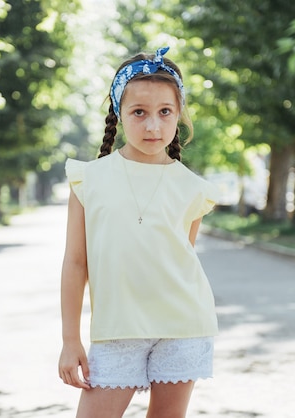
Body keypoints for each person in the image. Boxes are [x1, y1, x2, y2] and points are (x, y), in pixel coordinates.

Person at [58, 46, 220, 418]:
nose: (153, 126)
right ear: (119, 113)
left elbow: (182, 260)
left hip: (183, 327)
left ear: (179, 114)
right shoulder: (89, 179)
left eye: (165, 112)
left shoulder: (193, 188)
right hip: (116, 331)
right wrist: (70, 340)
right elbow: (75, 262)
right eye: (139, 112)